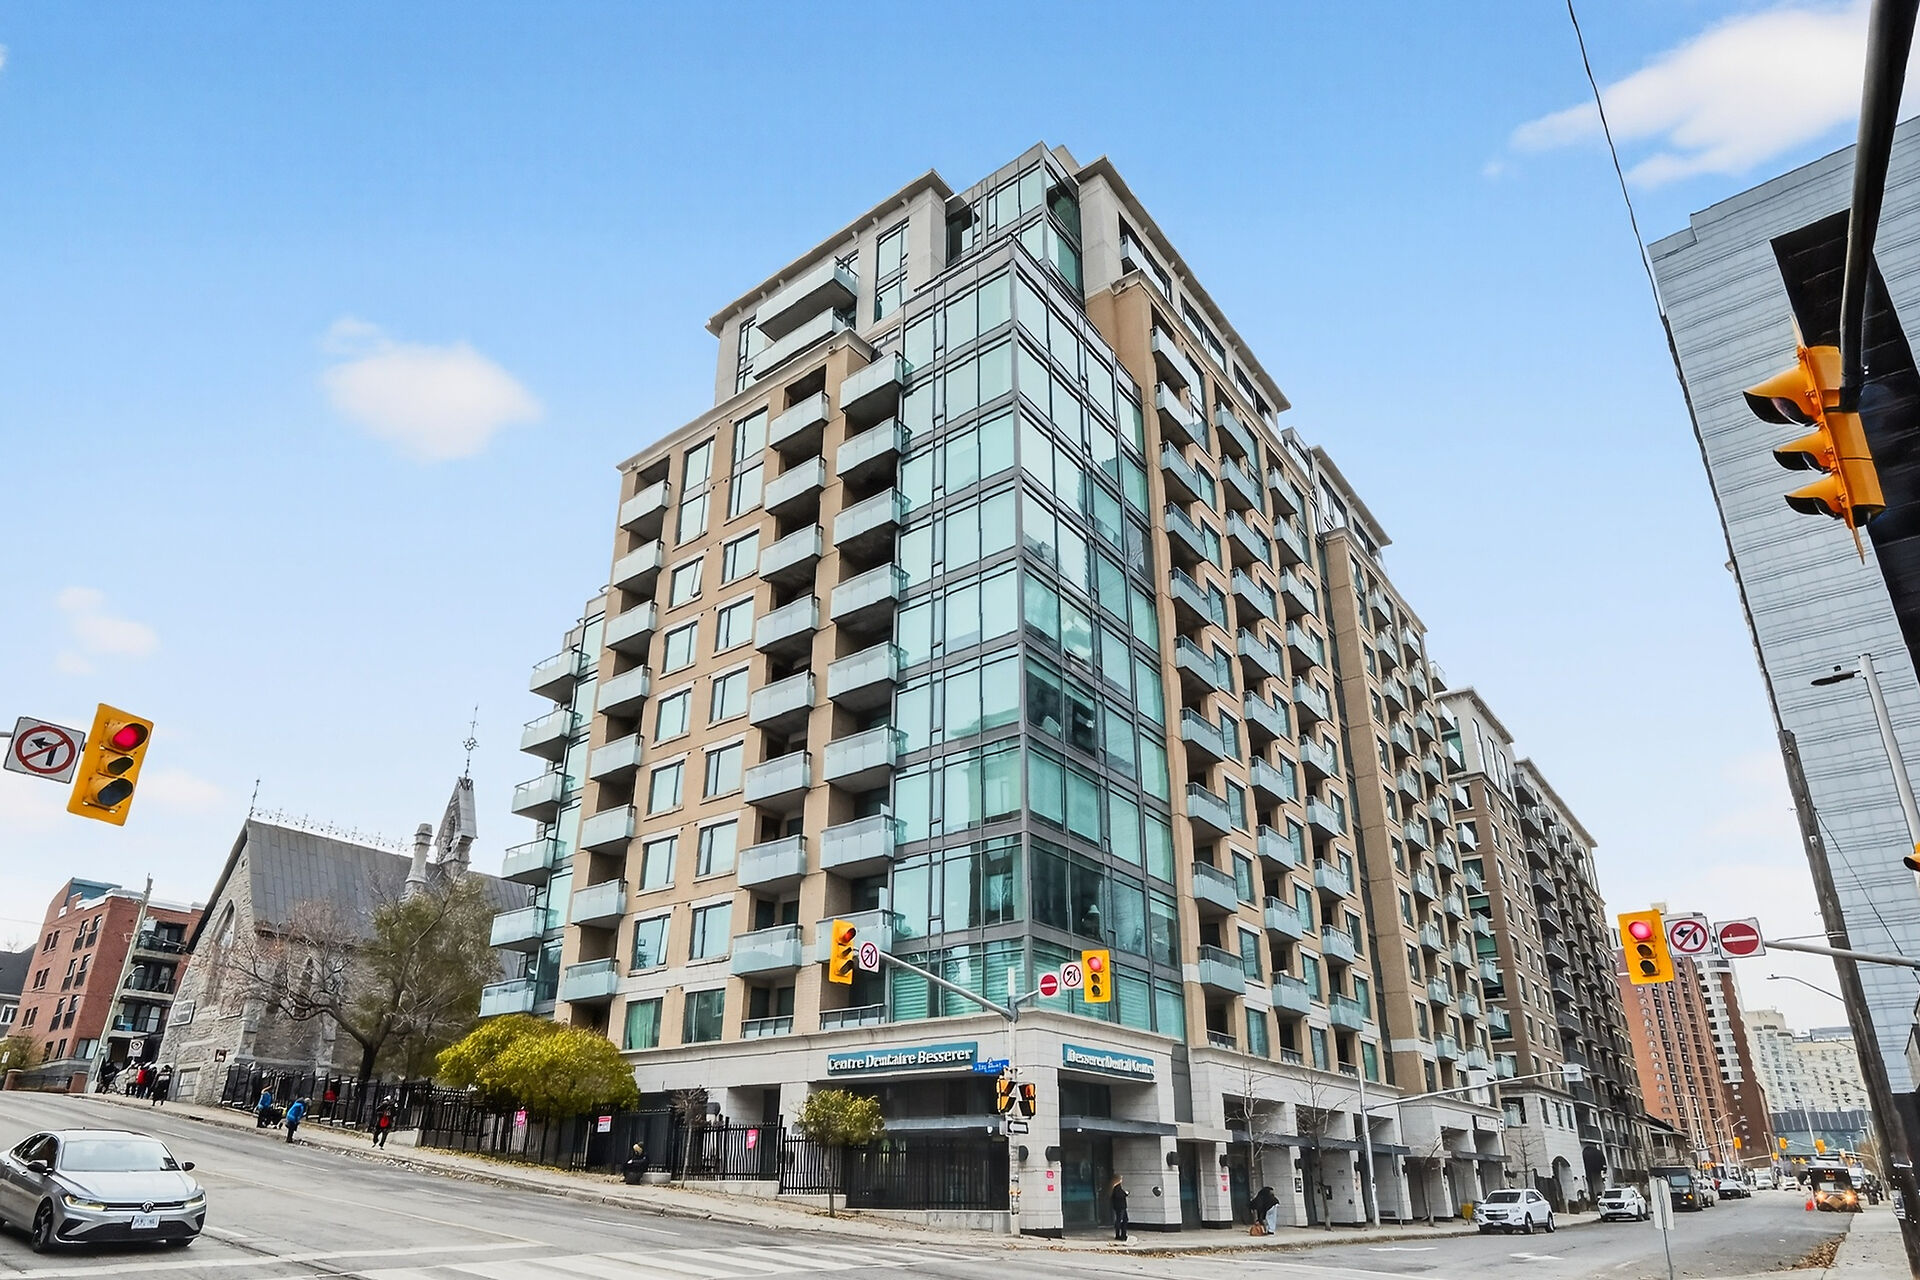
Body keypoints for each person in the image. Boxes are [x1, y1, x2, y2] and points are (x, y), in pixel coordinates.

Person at [1110, 1175, 1129, 1243]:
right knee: (1121, 1220)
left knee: (1123, 1219)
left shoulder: (1115, 1187)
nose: (1121, 1180)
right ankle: (1121, 1235)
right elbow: (1118, 1195)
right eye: (1121, 1179)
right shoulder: (1117, 1187)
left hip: (1120, 1206)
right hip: (1120, 1206)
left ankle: (1121, 1234)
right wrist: (1125, 1193)